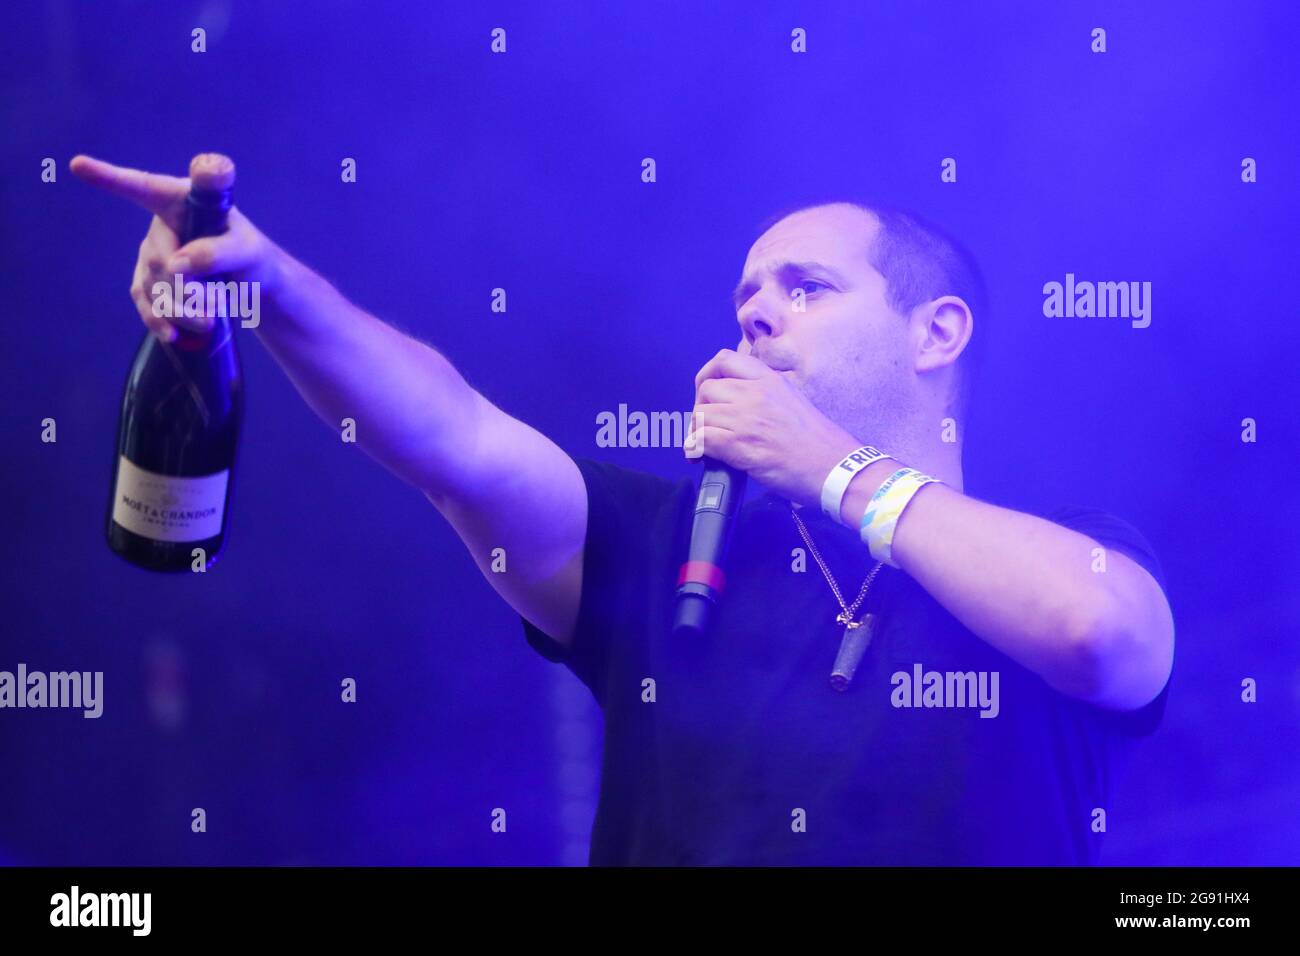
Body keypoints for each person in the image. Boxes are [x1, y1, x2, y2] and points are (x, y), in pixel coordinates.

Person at [72, 154, 1175, 865]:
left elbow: (1102, 631)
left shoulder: (1054, 555)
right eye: (745, 296)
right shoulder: (667, 541)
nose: (757, 314)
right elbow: (452, 439)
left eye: (805, 288)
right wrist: (268, 286)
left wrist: (834, 468)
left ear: (935, 333)